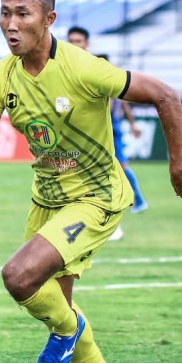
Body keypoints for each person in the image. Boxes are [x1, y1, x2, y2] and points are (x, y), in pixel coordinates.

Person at [0, 0, 182, 363]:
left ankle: (69, 334)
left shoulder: (83, 67)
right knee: (56, 306)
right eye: (4, 13)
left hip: (96, 197)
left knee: (18, 277)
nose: (10, 24)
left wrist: (177, 169)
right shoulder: (0, 76)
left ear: (48, 18)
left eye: (22, 13)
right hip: (47, 198)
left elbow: (167, 96)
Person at [66, 26, 148, 242]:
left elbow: (118, 96)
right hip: (81, 135)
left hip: (107, 131)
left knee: (114, 171)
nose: (75, 45)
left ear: (87, 44)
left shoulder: (95, 67)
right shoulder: (64, 67)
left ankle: (125, 210)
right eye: (71, 40)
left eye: (79, 41)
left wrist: (129, 123)